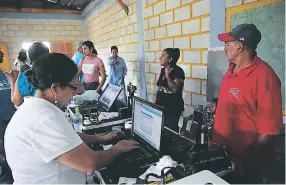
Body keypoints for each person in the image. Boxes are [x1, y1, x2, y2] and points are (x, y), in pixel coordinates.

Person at [4, 53, 138, 184]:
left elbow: (67, 137)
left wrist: (99, 138)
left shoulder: (37, 108)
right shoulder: (44, 118)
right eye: (73, 87)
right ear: (55, 88)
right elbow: (90, 163)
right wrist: (117, 149)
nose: (77, 92)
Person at [212, 24, 282, 182]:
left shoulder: (265, 77)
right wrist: (219, 108)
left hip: (244, 165)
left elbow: (268, 132)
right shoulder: (231, 69)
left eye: (227, 44)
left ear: (240, 46)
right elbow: (238, 101)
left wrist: (246, 162)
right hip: (222, 153)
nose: (224, 48)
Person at [7, 42, 85, 106]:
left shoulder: (24, 76)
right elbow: (80, 90)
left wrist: (12, 80)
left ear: (30, 57)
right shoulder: (55, 71)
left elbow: (16, 101)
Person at [155, 48, 185, 132]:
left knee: (169, 132)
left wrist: (168, 76)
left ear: (170, 59)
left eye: (163, 56)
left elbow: (175, 89)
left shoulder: (178, 71)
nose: (160, 58)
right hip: (161, 107)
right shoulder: (163, 70)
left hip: (172, 109)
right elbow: (160, 86)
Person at [0, 50, 14, 183]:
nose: (2, 55)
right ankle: (5, 179)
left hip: (9, 117)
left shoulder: (3, 74)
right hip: (0, 120)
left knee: (9, 147)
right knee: (2, 151)